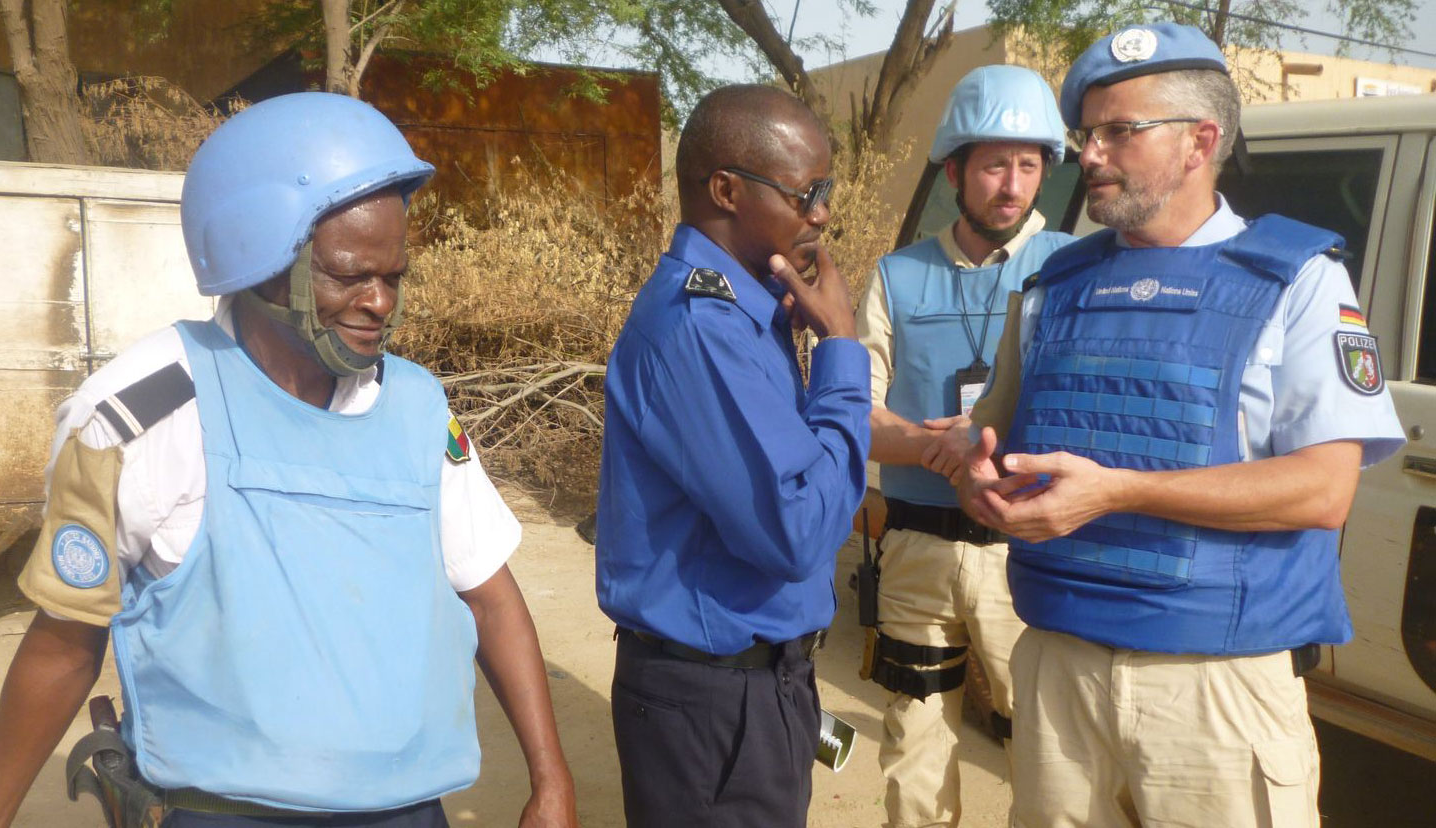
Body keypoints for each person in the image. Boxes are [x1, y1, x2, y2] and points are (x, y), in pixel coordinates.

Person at [0, 93, 577, 828]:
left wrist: (551, 782)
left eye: (394, 276)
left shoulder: (415, 407)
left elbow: (490, 595)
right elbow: (64, 648)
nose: (380, 302)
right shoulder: (132, 418)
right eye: (350, 276)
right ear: (258, 264)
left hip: (410, 813)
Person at [951, 22, 1406, 827]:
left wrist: (1114, 492)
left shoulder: (1297, 283)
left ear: (1200, 142)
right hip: (1058, 669)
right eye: (1085, 133)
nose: (1088, 154)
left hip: (1214, 688)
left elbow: (1321, 490)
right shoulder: (1052, 285)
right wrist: (977, 475)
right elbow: (991, 434)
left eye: (1118, 132)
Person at [595, 84, 871, 828]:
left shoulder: (750, 314)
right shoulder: (700, 328)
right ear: (725, 190)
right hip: (715, 702)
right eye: (805, 192)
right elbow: (797, 531)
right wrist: (842, 349)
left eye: (826, 190)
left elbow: (796, 454)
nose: (820, 212)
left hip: (754, 688)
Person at [853, 64, 1074, 828]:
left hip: (1028, 554)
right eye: (991, 165)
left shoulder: (1077, 268)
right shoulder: (896, 275)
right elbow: (854, 413)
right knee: (914, 750)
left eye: (1027, 164)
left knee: (1047, 756)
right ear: (954, 171)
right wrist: (938, 447)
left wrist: (975, 446)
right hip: (916, 547)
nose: (1010, 185)